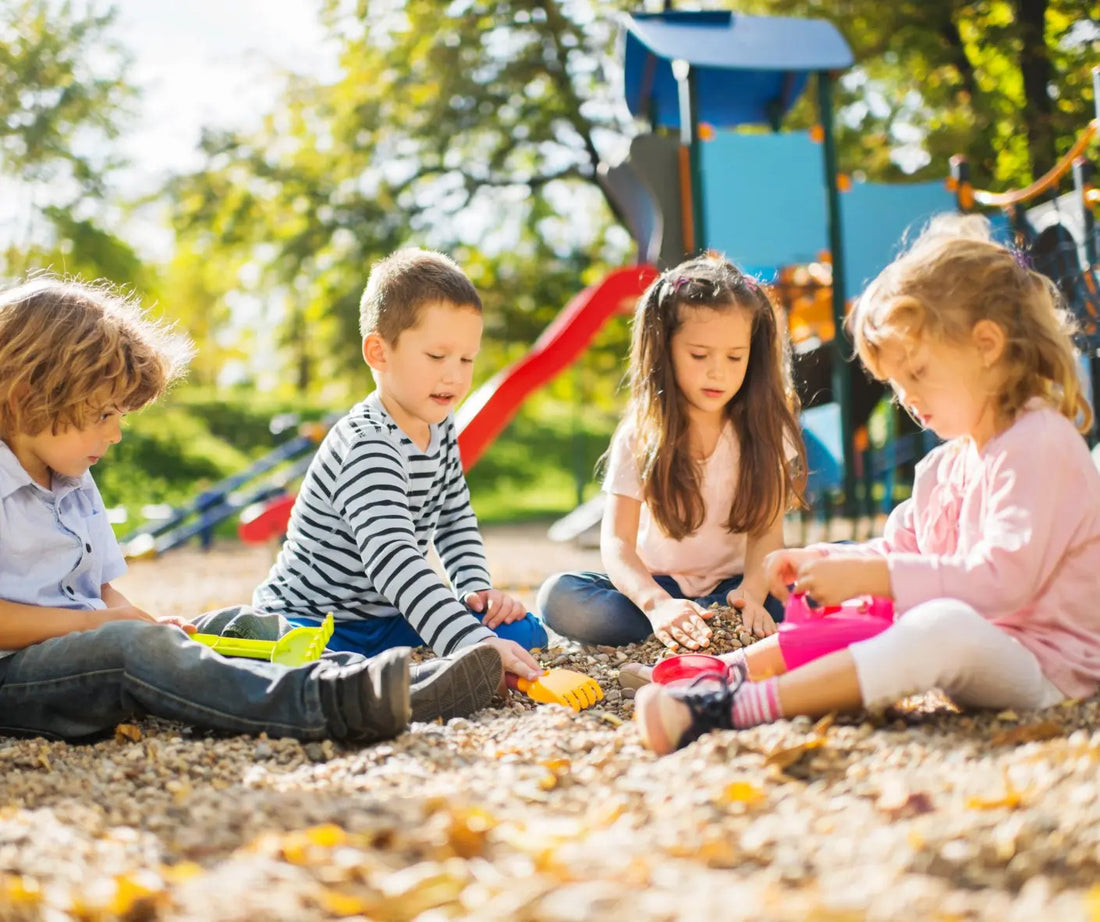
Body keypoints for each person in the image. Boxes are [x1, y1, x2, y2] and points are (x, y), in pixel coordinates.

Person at [635, 214, 1100, 755]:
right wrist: (827, 560)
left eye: (918, 374)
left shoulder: (1039, 440)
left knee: (933, 619)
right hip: (981, 646)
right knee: (870, 607)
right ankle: (715, 674)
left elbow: (1004, 581)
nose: (906, 399)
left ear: (987, 345)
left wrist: (872, 572)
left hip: (1052, 669)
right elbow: (902, 551)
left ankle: (730, 709)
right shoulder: (944, 466)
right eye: (897, 385)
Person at [0, 277, 498, 743]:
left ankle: (366, 676)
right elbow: (83, 624)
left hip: (85, 652)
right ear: (26, 400)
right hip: (17, 679)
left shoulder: (74, 480)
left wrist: (141, 620)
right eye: (103, 414)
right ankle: (334, 702)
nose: (115, 433)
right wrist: (107, 628)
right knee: (133, 651)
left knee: (237, 625)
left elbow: (100, 595)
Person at [252, 248, 545, 684]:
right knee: (314, 671)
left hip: (388, 615)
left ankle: (405, 668)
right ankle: (380, 679)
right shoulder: (368, 443)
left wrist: (475, 590)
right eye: (436, 356)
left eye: (467, 359)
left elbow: (453, 519)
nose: (455, 376)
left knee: (526, 632)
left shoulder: (440, 429)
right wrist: (471, 641)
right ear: (379, 352)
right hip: (310, 618)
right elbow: (395, 559)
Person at [537, 255, 807, 652]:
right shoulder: (640, 435)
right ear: (665, 350)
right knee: (559, 597)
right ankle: (691, 623)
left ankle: (716, 618)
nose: (718, 371)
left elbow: (767, 535)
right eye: (699, 355)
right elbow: (617, 544)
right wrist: (657, 604)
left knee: (843, 567)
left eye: (735, 357)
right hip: (657, 587)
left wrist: (751, 594)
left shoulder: (767, 430)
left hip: (741, 587)